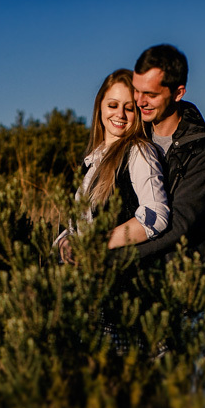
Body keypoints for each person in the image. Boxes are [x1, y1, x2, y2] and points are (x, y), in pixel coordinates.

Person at [57, 69, 169, 263]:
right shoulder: (89, 162)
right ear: (100, 106)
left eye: (129, 108)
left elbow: (156, 215)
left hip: (119, 277)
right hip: (81, 278)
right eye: (113, 105)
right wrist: (64, 243)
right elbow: (71, 226)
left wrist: (96, 243)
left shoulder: (139, 152)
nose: (120, 114)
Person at [130, 44, 205, 273]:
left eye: (150, 94)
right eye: (136, 90)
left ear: (178, 93)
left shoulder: (203, 147)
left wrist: (118, 256)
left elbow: (180, 224)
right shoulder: (131, 135)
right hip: (134, 282)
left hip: (187, 278)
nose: (140, 101)